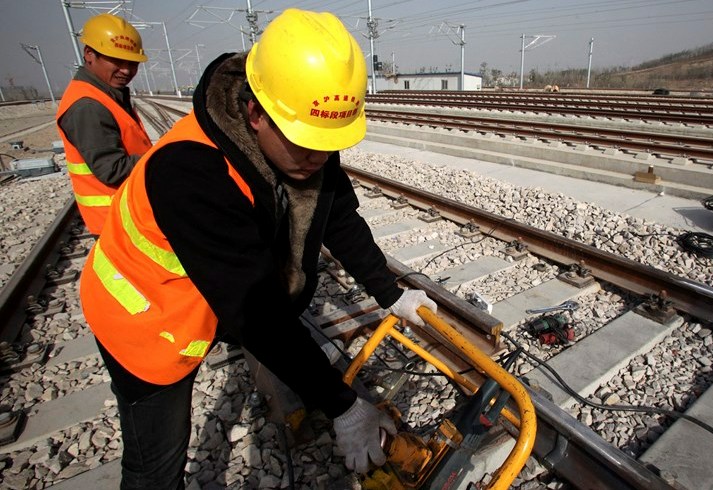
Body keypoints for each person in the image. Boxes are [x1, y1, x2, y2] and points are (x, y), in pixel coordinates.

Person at [78, 8, 437, 489]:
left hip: (203, 298)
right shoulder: (189, 173)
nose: (318, 157)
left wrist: (390, 293)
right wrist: (343, 406)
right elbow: (257, 312)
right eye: (305, 142)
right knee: (157, 466)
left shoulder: (304, 132)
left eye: (328, 143)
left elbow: (337, 215)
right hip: (143, 319)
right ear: (255, 113)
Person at [56, 13, 152, 236]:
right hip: (118, 222)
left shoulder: (106, 95)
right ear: (89, 54)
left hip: (129, 213)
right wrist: (164, 157)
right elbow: (112, 169)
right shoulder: (88, 106)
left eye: (133, 63)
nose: (126, 70)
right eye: (117, 61)